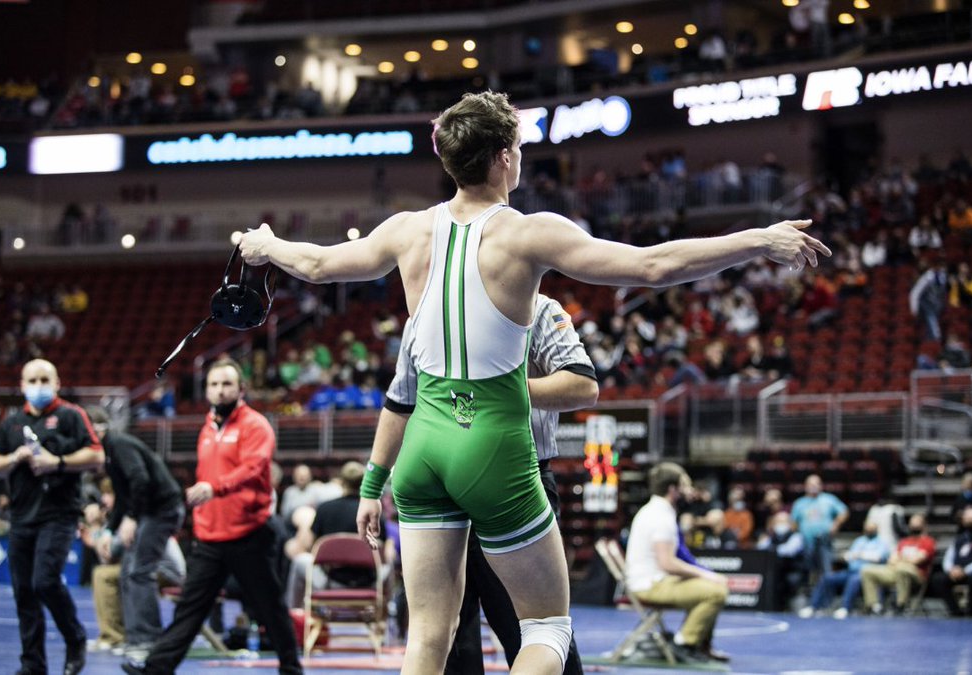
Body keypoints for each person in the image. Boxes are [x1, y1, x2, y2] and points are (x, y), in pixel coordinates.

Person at [239, 90, 828, 674]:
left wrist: (266, 246)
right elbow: (652, 266)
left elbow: (316, 265)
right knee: (546, 626)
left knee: (428, 637)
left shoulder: (407, 230)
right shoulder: (527, 233)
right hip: (490, 442)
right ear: (503, 157)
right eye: (518, 149)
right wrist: (757, 239)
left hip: (422, 447)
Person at [381, 293, 598, 674]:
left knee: (528, 626)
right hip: (444, 482)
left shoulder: (538, 308)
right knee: (451, 641)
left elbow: (583, 385)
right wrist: (371, 485)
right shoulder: (427, 311)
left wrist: (501, 389)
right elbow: (400, 402)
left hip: (515, 479)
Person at [121, 357, 302, 675]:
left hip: (250, 533)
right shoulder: (207, 427)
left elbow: (253, 467)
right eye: (214, 384)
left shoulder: (255, 425)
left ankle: (291, 669)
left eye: (227, 384)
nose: (220, 390)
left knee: (269, 607)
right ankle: (156, 669)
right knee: (190, 608)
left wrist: (214, 488)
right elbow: (207, 474)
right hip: (211, 537)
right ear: (206, 390)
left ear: (241, 388)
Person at [0, 359, 105, 675]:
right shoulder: (12, 423)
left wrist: (58, 462)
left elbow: (96, 456)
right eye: (32, 380)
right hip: (21, 516)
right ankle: (32, 664)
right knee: (24, 591)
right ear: (22, 385)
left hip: (59, 514)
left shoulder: (71, 415)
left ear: (57, 383)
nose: (38, 386)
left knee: (45, 581)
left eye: (44, 379)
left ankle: (75, 638)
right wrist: (15, 457)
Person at [83, 406, 185, 663]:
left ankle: (148, 641)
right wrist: (109, 530)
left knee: (139, 571)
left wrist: (132, 517)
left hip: (162, 509)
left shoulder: (119, 444)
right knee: (128, 572)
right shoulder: (109, 454)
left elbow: (140, 479)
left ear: (96, 429)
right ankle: (134, 637)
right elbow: (123, 497)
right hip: (150, 511)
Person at [625, 462, 729, 665]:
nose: (689, 490)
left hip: (653, 580)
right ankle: (684, 644)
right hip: (651, 585)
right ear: (673, 489)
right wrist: (705, 574)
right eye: (685, 485)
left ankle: (700, 645)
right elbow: (668, 563)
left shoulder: (657, 510)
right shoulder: (660, 516)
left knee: (714, 586)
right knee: (716, 592)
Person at [284, 461, 395, 609]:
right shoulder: (374, 512)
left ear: (341, 483)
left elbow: (307, 545)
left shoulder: (325, 509)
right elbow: (384, 555)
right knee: (389, 563)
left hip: (330, 581)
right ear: (363, 483)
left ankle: (295, 614)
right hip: (368, 583)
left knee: (299, 561)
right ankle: (387, 612)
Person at [798, 519, 891, 619]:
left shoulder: (882, 542)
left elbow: (878, 558)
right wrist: (852, 555)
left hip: (866, 573)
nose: (869, 530)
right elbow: (848, 555)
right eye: (867, 528)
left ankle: (845, 608)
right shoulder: (860, 541)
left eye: (872, 528)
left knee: (853, 580)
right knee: (826, 578)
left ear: (877, 529)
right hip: (850, 571)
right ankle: (813, 607)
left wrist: (860, 555)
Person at [789, 474, 848, 581]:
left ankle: (826, 589)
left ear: (821, 486)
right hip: (806, 543)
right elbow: (793, 522)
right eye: (811, 484)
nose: (814, 486)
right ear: (805, 486)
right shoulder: (799, 503)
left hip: (824, 541)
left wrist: (836, 525)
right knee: (808, 571)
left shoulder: (829, 499)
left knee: (826, 569)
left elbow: (844, 512)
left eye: (816, 484)